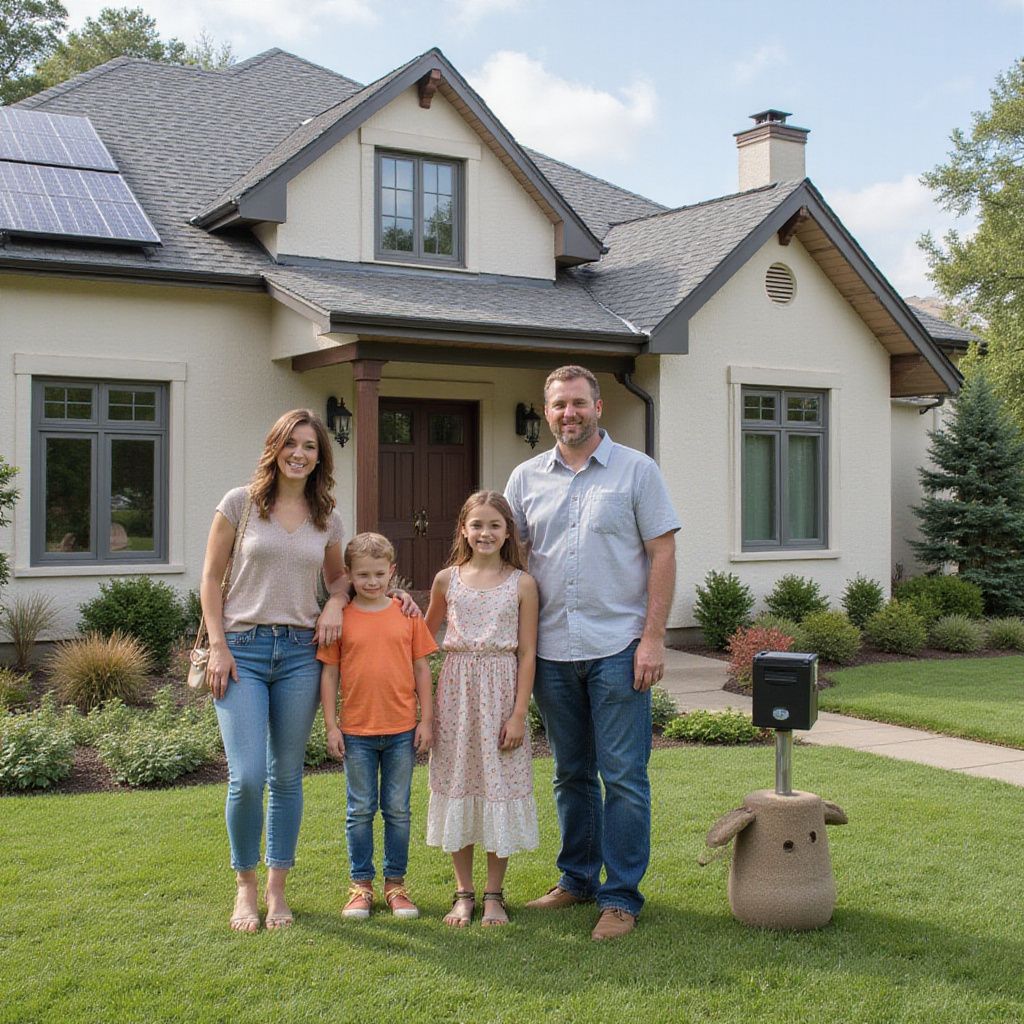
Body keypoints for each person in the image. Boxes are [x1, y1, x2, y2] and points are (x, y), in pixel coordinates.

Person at [504, 365, 680, 942]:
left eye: (578, 403)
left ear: (598, 407)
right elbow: (510, 564)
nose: (568, 414)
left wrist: (652, 638)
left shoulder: (636, 471)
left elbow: (662, 554)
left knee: (624, 776)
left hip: (618, 647)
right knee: (570, 773)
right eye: (558, 405)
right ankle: (576, 879)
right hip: (552, 651)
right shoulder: (526, 479)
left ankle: (621, 896)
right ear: (547, 410)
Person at [201, 409, 348, 932]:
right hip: (242, 650)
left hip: (300, 656)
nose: (300, 454)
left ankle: (276, 889)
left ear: (319, 457)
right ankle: (244, 887)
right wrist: (219, 646)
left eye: (310, 446)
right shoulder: (239, 504)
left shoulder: (326, 516)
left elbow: (338, 580)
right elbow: (211, 579)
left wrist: (334, 604)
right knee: (245, 777)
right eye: (292, 444)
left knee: (286, 776)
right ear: (275, 448)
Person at [424, 491, 540, 927]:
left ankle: (494, 894)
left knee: (498, 787)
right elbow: (423, 636)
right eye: (477, 525)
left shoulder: (521, 583)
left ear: (507, 530)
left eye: (494, 525)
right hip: (455, 692)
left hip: (500, 691)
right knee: (459, 784)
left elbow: (527, 652)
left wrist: (517, 714)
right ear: (464, 530)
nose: (485, 533)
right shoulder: (446, 580)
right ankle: (463, 893)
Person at [317, 532, 437, 920]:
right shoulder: (341, 620)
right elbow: (330, 674)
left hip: (402, 730)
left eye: (379, 574)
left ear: (393, 573)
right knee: (360, 810)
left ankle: (396, 885)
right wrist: (331, 726)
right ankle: (361, 886)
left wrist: (427, 721)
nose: (372, 582)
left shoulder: (408, 615)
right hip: (356, 733)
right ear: (349, 575)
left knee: (398, 810)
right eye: (363, 574)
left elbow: (422, 669)